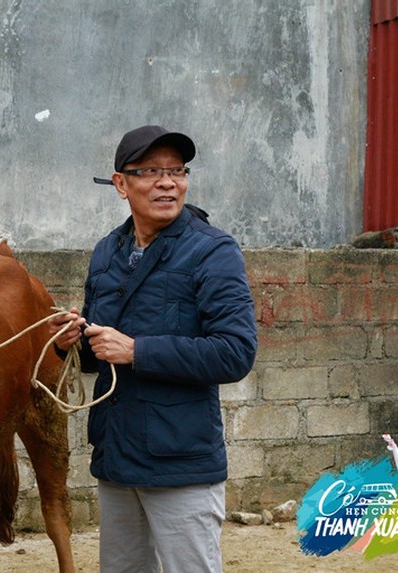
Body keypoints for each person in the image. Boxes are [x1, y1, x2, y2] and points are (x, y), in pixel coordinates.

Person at [48, 125, 257, 573]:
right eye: (151, 172)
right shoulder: (108, 252)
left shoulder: (212, 251)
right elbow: (100, 355)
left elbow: (235, 352)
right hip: (117, 457)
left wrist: (138, 351)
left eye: (177, 171)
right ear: (121, 184)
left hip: (180, 463)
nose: (168, 183)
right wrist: (72, 344)